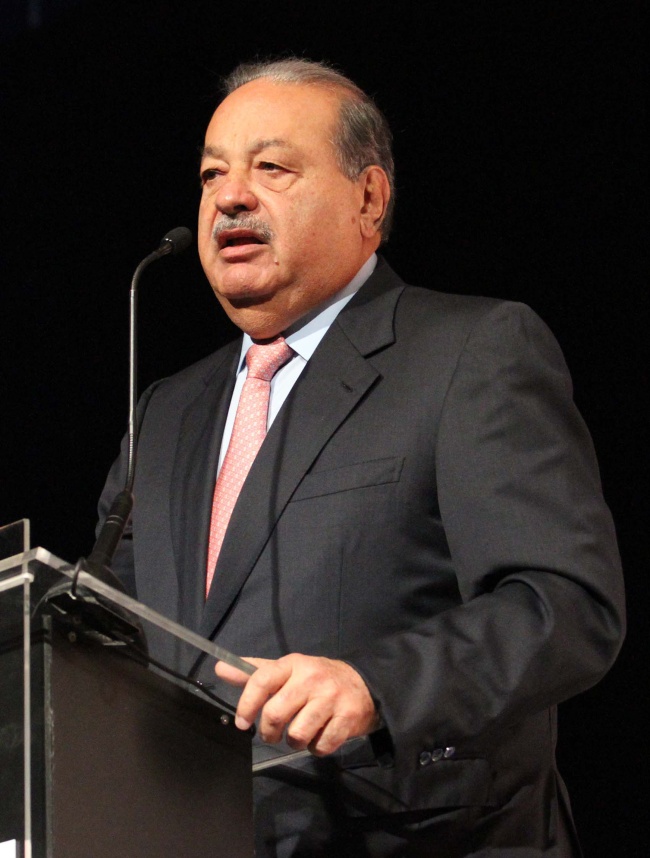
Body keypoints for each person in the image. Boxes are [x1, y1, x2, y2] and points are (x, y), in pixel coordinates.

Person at [99, 58, 625, 856]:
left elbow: (566, 606)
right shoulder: (166, 413)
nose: (229, 196)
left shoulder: (469, 353)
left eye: (271, 168)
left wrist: (376, 683)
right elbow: (103, 632)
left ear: (369, 198)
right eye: (212, 174)